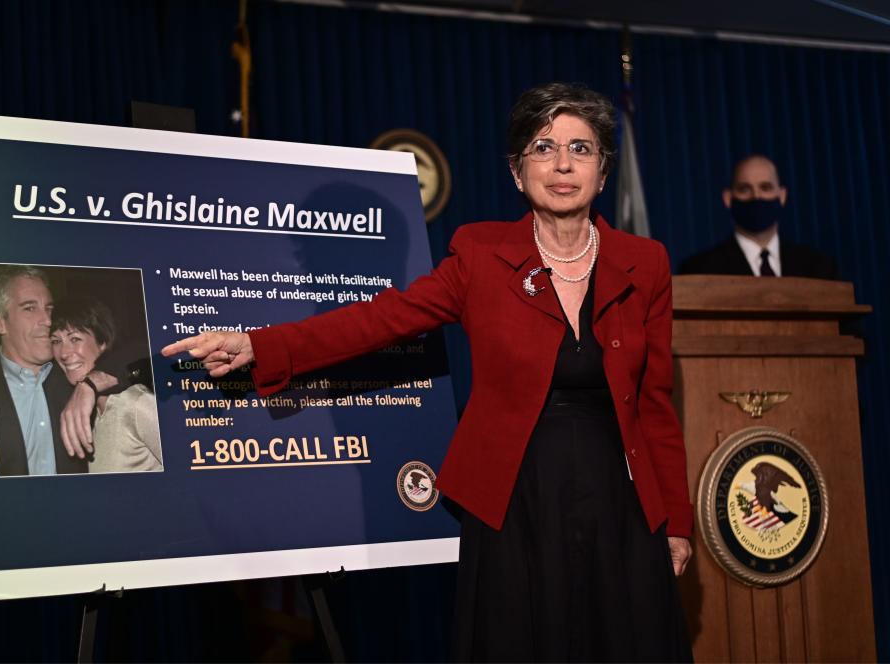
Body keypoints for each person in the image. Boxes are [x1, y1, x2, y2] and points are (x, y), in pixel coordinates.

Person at [163, 82, 693, 661]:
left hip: (620, 502)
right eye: (544, 148)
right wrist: (258, 344)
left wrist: (677, 522)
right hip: (515, 501)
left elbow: (655, 404)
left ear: (603, 170)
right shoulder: (479, 254)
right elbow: (381, 319)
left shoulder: (647, 263)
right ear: (518, 172)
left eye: (581, 148)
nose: (563, 164)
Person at [50, 297, 163, 473]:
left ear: (102, 342)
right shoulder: (90, 411)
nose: (64, 353)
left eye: (75, 339)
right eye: (56, 341)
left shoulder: (136, 404)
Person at [679, 154, 838, 279]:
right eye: (745, 189)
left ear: (782, 196)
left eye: (765, 187)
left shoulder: (819, 268)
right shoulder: (698, 270)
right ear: (728, 198)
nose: (756, 196)